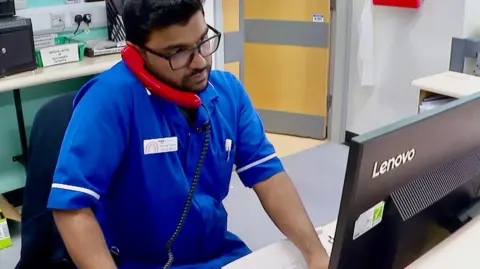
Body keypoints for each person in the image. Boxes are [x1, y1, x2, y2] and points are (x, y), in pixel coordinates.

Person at [47, 0, 329, 268]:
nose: (200, 62)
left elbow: (268, 175)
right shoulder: (109, 100)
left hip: (216, 254)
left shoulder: (228, 92)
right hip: (138, 262)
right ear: (138, 51)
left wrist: (316, 255)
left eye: (203, 42)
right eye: (178, 52)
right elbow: (71, 207)